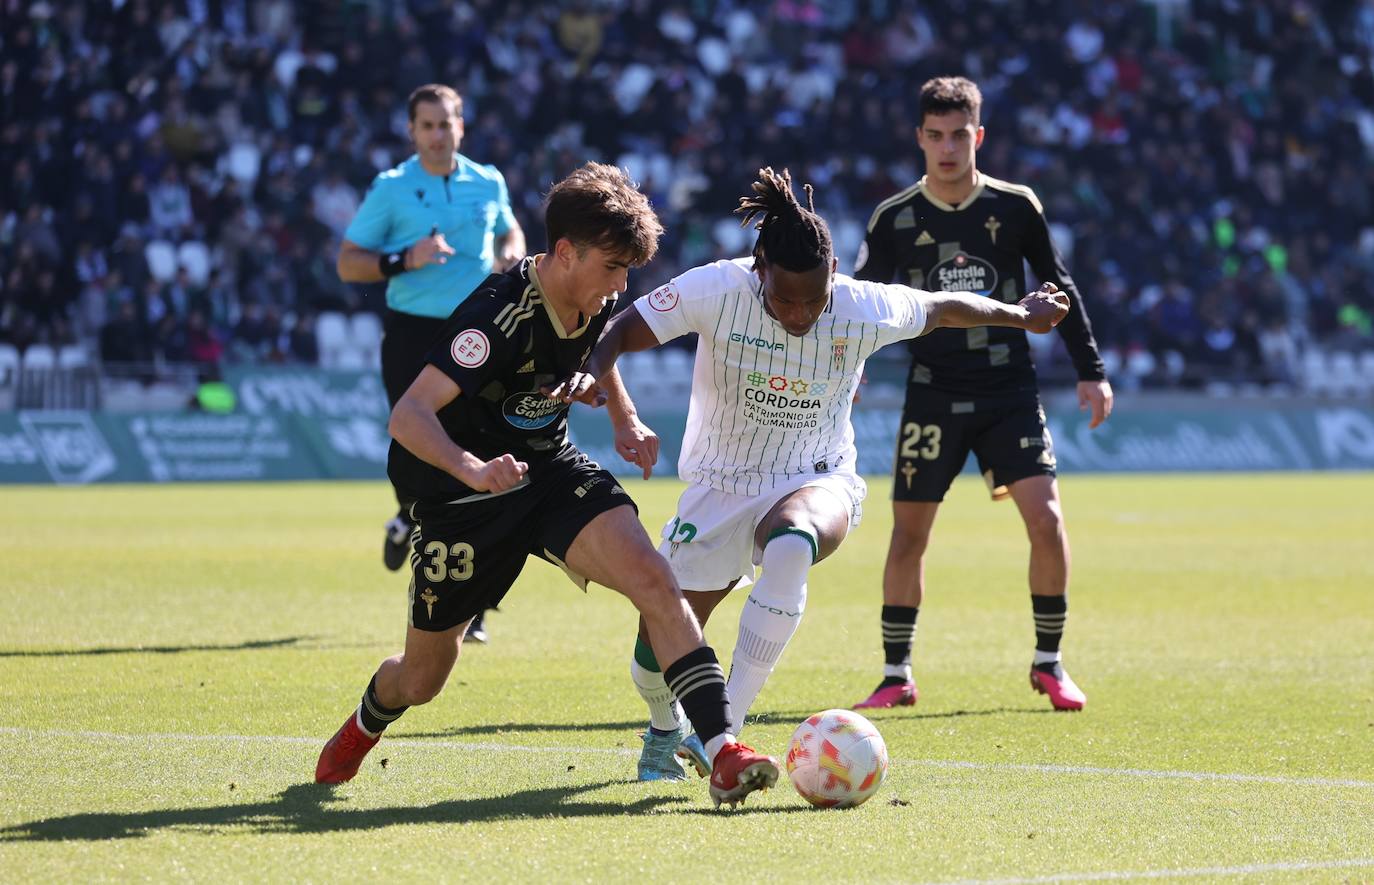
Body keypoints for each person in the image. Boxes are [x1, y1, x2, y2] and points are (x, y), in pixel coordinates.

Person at [550, 168, 1071, 781]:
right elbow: (622, 327)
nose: (800, 313)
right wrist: (609, 394)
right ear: (760, 268)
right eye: (785, 298)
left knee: (793, 544)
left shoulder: (860, 306)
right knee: (652, 654)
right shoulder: (717, 288)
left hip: (816, 476)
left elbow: (943, 307)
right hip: (720, 485)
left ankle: (723, 737)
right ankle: (665, 727)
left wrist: (1019, 313)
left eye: (814, 298)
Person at [315, 163, 779, 809]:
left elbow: (596, 352)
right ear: (565, 252)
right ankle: (366, 723)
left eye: (627, 271)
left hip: (548, 471)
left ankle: (723, 747)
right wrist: (474, 470)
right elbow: (408, 415)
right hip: (461, 501)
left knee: (654, 579)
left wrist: (623, 415)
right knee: (422, 678)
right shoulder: (496, 315)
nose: (621, 286)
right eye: (613, 268)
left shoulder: (597, 296)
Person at [850, 76, 1113, 713]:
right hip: (933, 393)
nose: (947, 148)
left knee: (1047, 522)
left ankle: (1049, 663)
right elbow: (858, 304)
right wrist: (847, 369)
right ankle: (895, 673)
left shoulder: (1016, 206)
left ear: (979, 136)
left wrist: (1090, 368)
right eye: (935, 136)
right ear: (919, 138)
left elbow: (1059, 285)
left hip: (1009, 391)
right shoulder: (895, 218)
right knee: (908, 536)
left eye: (959, 135)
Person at [337, 83, 526, 645]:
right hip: (414, 336)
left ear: (461, 125)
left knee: (487, 452)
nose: (438, 135)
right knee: (422, 450)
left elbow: (508, 227)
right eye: (427, 126)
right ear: (412, 131)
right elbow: (349, 264)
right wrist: (403, 258)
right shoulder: (392, 189)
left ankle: (478, 605)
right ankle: (406, 517)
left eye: (446, 124)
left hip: (478, 331)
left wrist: (511, 247)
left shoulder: (487, 180)